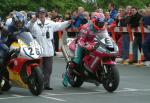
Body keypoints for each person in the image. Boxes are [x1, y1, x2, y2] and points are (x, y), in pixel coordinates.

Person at [27, 7, 72, 90]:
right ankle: (38, 84)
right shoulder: (33, 22)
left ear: (45, 14)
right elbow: (29, 27)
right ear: (37, 13)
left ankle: (46, 85)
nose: (41, 14)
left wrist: (68, 22)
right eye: (40, 13)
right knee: (38, 70)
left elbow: (59, 25)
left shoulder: (49, 23)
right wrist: (32, 21)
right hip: (38, 50)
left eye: (43, 13)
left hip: (48, 50)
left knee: (48, 70)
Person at [62, 12, 110, 86]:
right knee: (77, 59)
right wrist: (86, 45)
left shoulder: (103, 28)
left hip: (95, 44)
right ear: (94, 21)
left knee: (101, 54)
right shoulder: (86, 27)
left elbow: (107, 37)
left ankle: (96, 73)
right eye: (99, 23)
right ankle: (67, 75)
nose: (101, 24)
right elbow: (80, 40)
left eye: (102, 23)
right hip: (82, 44)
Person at [0, 11, 26, 94]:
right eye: (18, 23)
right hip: (7, 48)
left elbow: (29, 36)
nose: (19, 25)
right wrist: (5, 47)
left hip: (20, 47)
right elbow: (3, 40)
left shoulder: (24, 27)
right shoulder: (8, 28)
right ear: (14, 21)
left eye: (21, 23)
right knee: (1, 62)